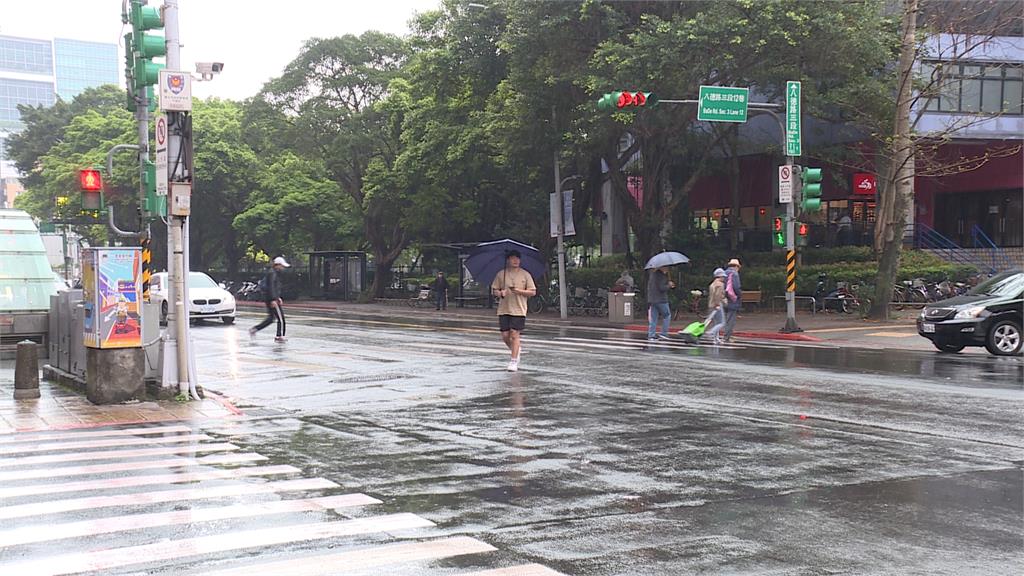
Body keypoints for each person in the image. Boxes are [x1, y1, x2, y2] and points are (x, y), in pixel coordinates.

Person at [490, 250, 536, 372]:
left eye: (517, 258)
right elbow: (494, 290)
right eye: (513, 258)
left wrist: (519, 291)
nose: (515, 260)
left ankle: (513, 361)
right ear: (508, 260)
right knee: (505, 335)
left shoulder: (525, 274)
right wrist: (500, 293)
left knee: (515, 334)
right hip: (504, 309)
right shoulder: (501, 274)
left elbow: (532, 291)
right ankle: (515, 350)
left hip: (519, 309)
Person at [249, 256, 290, 343]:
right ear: (277, 265)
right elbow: (271, 287)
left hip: (270, 298)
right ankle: (280, 336)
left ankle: (255, 329)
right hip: (271, 299)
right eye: (282, 266)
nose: (283, 268)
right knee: (281, 318)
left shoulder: (272, 273)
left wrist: (277, 297)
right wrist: (273, 299)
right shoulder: (272, 273)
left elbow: (273, 287)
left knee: (271, 318)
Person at [646, 266, 675, 340]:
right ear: (662, 268)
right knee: (667, 315)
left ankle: (651, 335)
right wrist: (669, 285)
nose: (667, 269)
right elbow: (662, 288)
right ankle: (664, 333)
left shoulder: (652, 275)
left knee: (654, 318)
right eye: (666, 267)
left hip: (652, 299)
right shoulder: (662, 276)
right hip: (661, 299)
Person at [705, 268, 728, 344]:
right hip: (717, 304)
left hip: (711, 304)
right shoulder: (720, 285)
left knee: (716, 322)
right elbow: (718, 295)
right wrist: (718, 304)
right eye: (723, 276)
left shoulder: (712, 284)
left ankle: (716, 338)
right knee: (722, 322)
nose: (724, 278)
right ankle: (711, 332)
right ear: (720, 276)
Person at [722, 258, 743, 342]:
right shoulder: (734, 274)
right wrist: (739, 295)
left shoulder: (724, 273)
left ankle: (726, 335)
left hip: (724, 298)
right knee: (731, 319)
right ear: (736, 266)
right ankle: (727, 336)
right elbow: (736, 287)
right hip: (732, 298)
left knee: (724, 318)